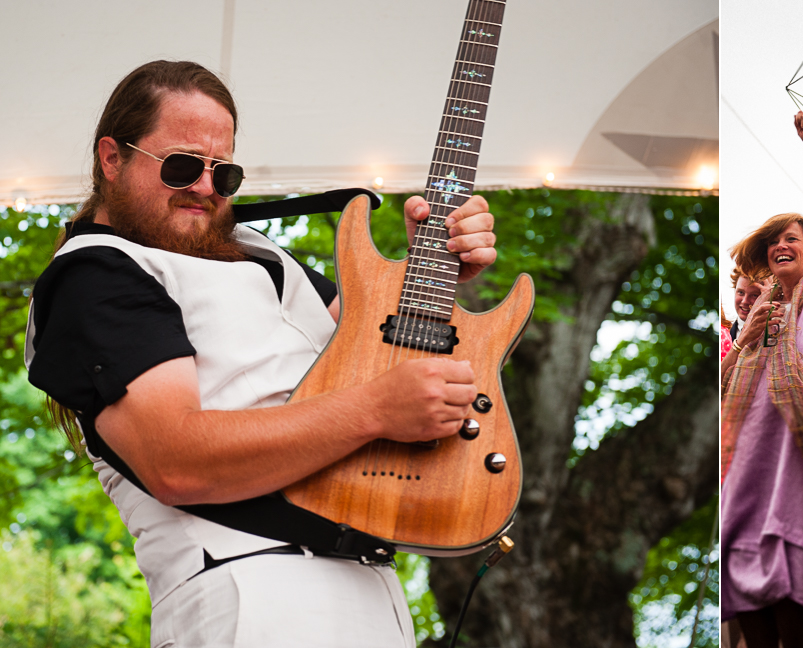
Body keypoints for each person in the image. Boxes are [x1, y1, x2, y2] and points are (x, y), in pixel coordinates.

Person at [23, 61, 497, 644]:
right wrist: (373, 411)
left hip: (373, 587)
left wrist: (439, 260)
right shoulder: (96, 273)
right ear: (112, 158)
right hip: (252, 591)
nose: (204, 186)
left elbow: (375, 343)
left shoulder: (258, 252)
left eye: (223, 174)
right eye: (181, 166)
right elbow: (176, 461)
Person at [719, 111, 803, 648]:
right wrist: (747, 334)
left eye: (792, 238)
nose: (781, 244)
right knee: (747, 597)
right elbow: (723, 393)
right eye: (774, 240)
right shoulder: (759, 314)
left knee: (792, 609)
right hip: (750, 468)